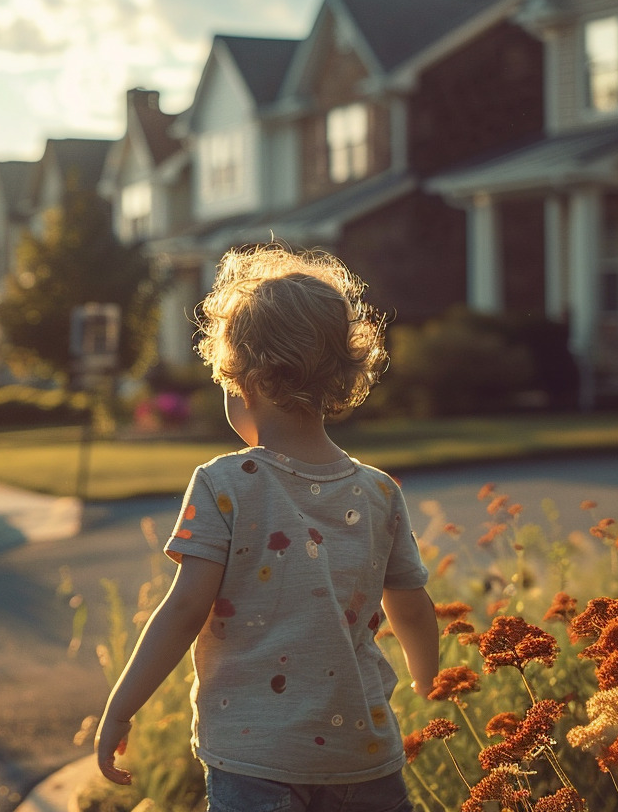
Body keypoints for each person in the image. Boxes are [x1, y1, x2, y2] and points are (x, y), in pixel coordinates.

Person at [95, 244, 439, 812]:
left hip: (254, 759)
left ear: (243, 380)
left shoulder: (223, 484)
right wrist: (429, 681)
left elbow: (184, 611)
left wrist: (121, 705)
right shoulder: (379, 492)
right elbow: (412, 606)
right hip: (363, 750)